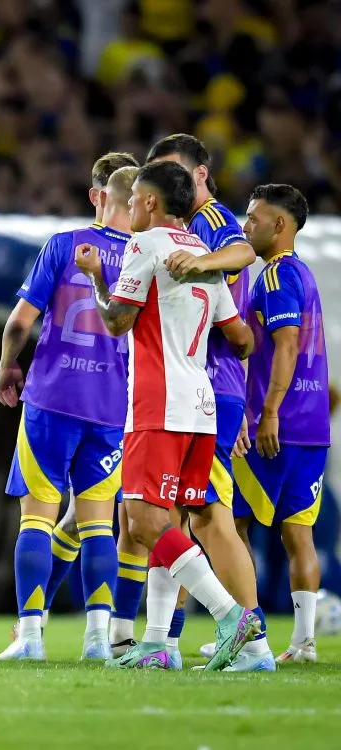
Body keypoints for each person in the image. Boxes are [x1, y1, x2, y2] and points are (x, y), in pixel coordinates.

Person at [76, 160, 258, 672]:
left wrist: (96, 278)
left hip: (158, 404)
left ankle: (231, 615)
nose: (130, 207)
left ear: (151, 202)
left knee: (142, 522)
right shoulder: (202, 253)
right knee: (170, 522)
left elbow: (118, 321)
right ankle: (159, 644)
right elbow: (242, 340)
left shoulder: (146, 244)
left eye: (134, 199)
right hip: (201, 407)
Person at [0, 160, 137, 661]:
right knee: (98, 525)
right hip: (111, 405)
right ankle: (98, 640)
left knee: (37, 517)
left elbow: (20, 322)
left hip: (52, 398)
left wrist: (7, 366)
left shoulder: (64, 244)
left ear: (101, 196)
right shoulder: (145, 256)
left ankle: (31, 637)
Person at [147, 134, 270, 669]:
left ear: (200, 173)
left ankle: (253, 641)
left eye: (176, 171)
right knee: (176, 516)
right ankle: (164, 642)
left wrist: (198, 264)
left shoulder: (211, 218)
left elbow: (244, 251)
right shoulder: (181, 228)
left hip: (208, 384)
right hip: (205, 384)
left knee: (209, 519)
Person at [234, 184, 329, 664]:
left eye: (254, 218)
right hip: (312, 429)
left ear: (280, 225)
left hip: (276, 426)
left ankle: (246, 635)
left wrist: (269, 410)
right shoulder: (304, 274)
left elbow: (287, 345)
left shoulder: (274, 276)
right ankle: (303, 643)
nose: (245, 226)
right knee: (298, 535)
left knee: (226, 522)